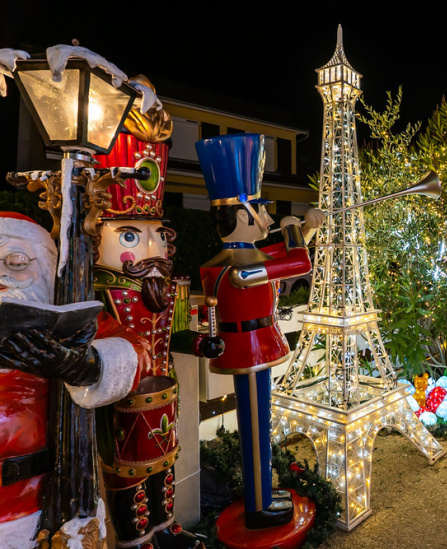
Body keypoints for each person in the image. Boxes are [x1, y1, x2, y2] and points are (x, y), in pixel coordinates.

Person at [92, 86, 220, 549]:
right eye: (130, 235)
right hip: (122, 411)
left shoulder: (164, 291)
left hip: (164, 398)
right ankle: (135, 541)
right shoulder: (98, 296)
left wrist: (200, 343)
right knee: (127, 479)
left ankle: (166, 530)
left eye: (156, 236)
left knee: (165, 467)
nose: (151, 250)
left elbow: (173, 336)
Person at [0, 212, 152, 548]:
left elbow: (138, 351)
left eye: (16, 261)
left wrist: (82, 366)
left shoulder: (67, 315)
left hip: (33, 504)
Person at [197, 133, 317, 530]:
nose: (266, 220)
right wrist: (293, 226)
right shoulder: (238, 268)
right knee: (254, 427)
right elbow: (298, 262)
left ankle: (263, 494)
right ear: (243, 216)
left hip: (256, 347)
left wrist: (308, 227)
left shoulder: (239, 259)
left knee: (259, 424)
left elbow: (284, 256)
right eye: (261, 212)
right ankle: (258, 507)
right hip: (248, 351)